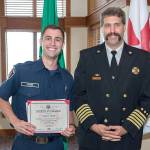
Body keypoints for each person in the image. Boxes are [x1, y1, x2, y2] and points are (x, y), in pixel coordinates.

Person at [72, 7, 150, 150]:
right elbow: (78, 95)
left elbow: (147, 98)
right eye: (108, 25)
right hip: (93, 138)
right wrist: (93, 125)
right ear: (102, 28)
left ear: (124, 27)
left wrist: (127, 127)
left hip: (127, 138)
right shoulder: (87, 57)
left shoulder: (143, 59)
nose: (112, 30)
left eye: (117, 25)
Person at [0, 24, 75, 150]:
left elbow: (69, 109)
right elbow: (1, 97)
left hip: (55, 145)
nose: (53, 43)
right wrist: (15, 122)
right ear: (41, 42)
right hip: (25, 144)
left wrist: (71, 125)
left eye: (58, 39)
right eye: (48, 38)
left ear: (62, 44)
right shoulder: (21, 71)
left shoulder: (67, 78)